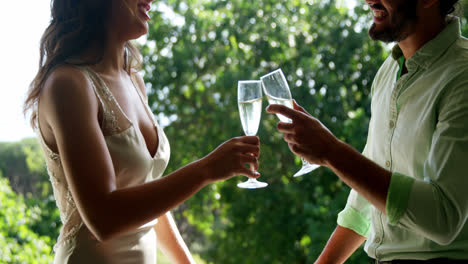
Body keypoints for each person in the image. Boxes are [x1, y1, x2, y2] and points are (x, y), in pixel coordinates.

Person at [23, 0, 261, 263]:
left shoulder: (133, 79)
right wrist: (206, 170)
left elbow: (148, 198)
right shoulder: (68, 84)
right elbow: (103, 219)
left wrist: (186, 262)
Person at [267, 0, 468, 263]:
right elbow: (367, 198)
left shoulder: (461, 77)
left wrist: (331, 151)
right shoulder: (388, 73)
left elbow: (443, 218)